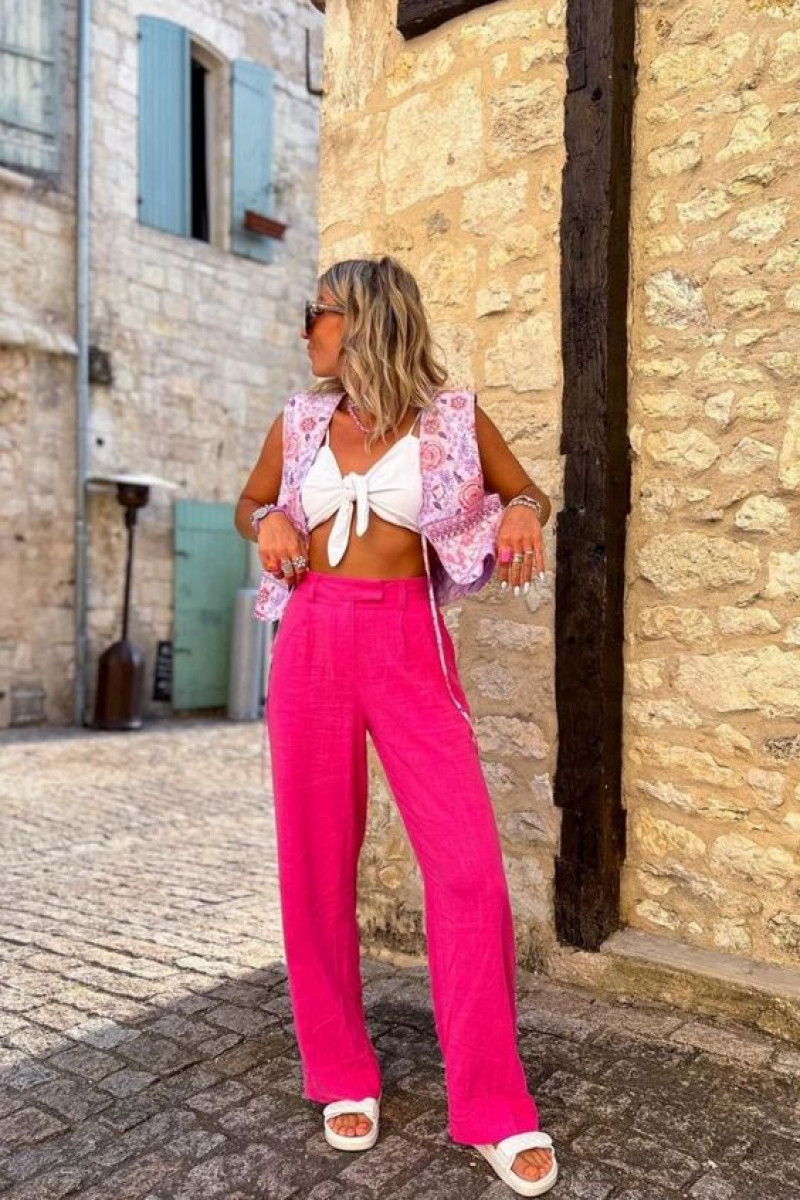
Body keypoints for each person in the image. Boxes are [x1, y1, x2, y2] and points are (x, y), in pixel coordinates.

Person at [235, 255, 558, 1196]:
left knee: (466, 870)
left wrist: (522, 520)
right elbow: (252, 501)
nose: (305, 331)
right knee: (316, 859)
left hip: (409, 646)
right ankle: (339, 1070)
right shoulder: (300, 422)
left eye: (317, 313)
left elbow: (525, 490)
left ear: (366, 320)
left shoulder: (451, 419)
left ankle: (493, 1106)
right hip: (313, 641)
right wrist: (266, 526)